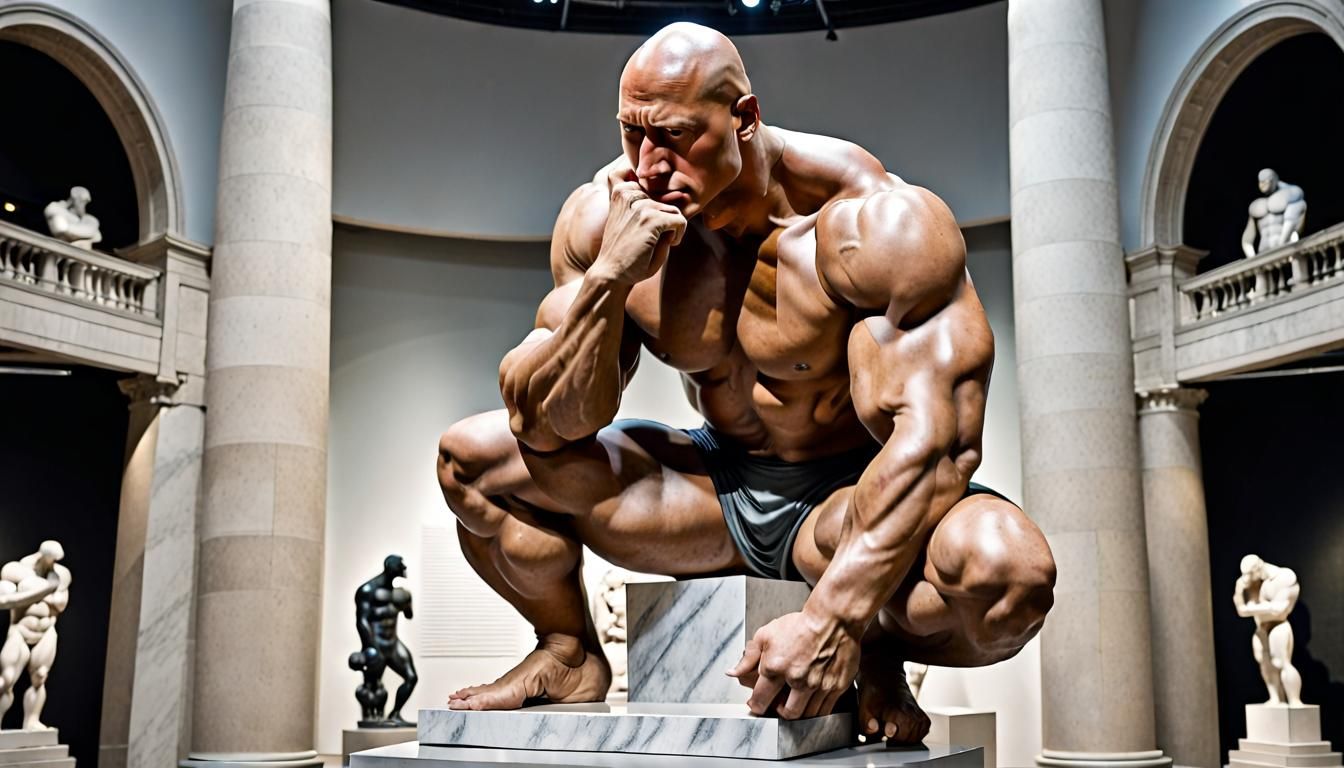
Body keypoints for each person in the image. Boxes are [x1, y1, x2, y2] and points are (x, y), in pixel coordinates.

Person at [437, 22, 1056, 743]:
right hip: (714, 490)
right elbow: (547, 425)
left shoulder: (873, 224)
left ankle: (879, 648)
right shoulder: (608, 214)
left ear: (745, 119)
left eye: (673, 136)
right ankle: (568, 651)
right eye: (633, 134)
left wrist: (834, 621)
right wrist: (609, 279)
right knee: (472, 462)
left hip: (844, 499)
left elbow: (937, 447)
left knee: (1008, 575)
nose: (647, 163)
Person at [0, 540, 71, 730]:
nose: (53, 562)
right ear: (42, 555)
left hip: (46, 630)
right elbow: (4, 599)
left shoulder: (60, 575)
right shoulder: (16, 570)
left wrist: (38, 592)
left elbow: (61, 603)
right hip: (21, 629)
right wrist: (38, 592)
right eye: (51, 558)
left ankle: (31, 721)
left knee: (40, 676)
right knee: (6, 679)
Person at [354, 554, 418, 726]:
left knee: (411, 677)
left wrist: (407, 602)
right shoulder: (367, 591)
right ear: (391, 567)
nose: (404, 568)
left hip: (393, 643)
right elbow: (362, 621)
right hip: (376, 645)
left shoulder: (400, 594)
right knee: (372, 686)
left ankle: (395, 714)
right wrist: (370, 647)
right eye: (401, 565)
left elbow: (408, 615)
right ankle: (371, 718)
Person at [1233, 554, 1302, 706]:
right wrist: (1242, 594)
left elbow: (1280, 609)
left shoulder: (1284, 577)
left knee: (1282, 662)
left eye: (1250, 574)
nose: (1247, 578)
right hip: (1261, 628)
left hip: (1278, 624)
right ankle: (1275, 698)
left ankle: (1294, 700)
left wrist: (1252, 609)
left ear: (1258, 568)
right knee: (1264, 663)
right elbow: (1241, 609)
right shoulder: (1248, 583)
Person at [1241, 169, 1306, 258]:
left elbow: (1293, 222)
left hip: (1284, 251)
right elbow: (1247, 239)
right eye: (1261, 181)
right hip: (1263, 253)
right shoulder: (1256, 206)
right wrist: (1252, 258)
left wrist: (1282, 245)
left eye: (1267, 179)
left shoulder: (1290, 197)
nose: (1263, 183)